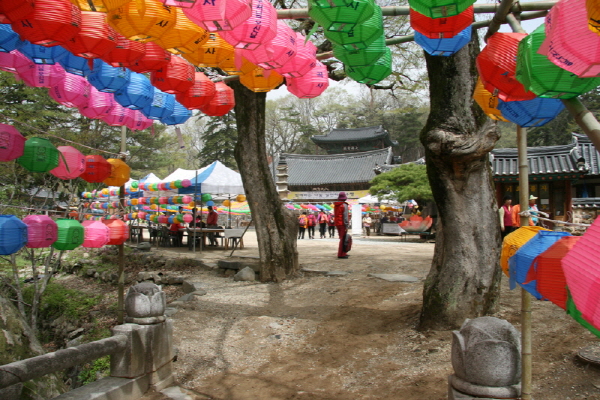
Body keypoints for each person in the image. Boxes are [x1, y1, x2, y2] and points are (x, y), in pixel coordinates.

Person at [334, 192, 349, 258]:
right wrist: (347, 225)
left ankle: (343, 252)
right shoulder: (344, 205)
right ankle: (341, 254)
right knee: (343, 238)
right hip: (342, 223)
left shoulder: (336, 205)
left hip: (337, 223)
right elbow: (345, 216)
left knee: (341, 237)